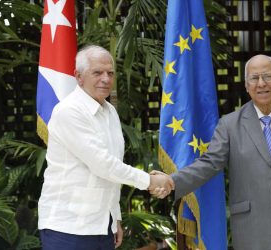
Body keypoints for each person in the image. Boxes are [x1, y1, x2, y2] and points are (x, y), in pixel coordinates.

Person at [152, 55, 271, 250]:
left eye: (267, 76)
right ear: (246, 85)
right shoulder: (229, 125)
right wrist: (173, 180)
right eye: (254, 78)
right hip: (253, 233)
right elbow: (209, 163)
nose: (261, 83)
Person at [38, 45, 174, 250]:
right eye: (97, 72)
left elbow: (113, 167)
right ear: (78, 76)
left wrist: (114, 218)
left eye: (110, 73)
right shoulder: (69, 111)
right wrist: (149, 181)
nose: (106, 79)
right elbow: (103, 164)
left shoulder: (110, 111)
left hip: (101, 226)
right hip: (67, 228)